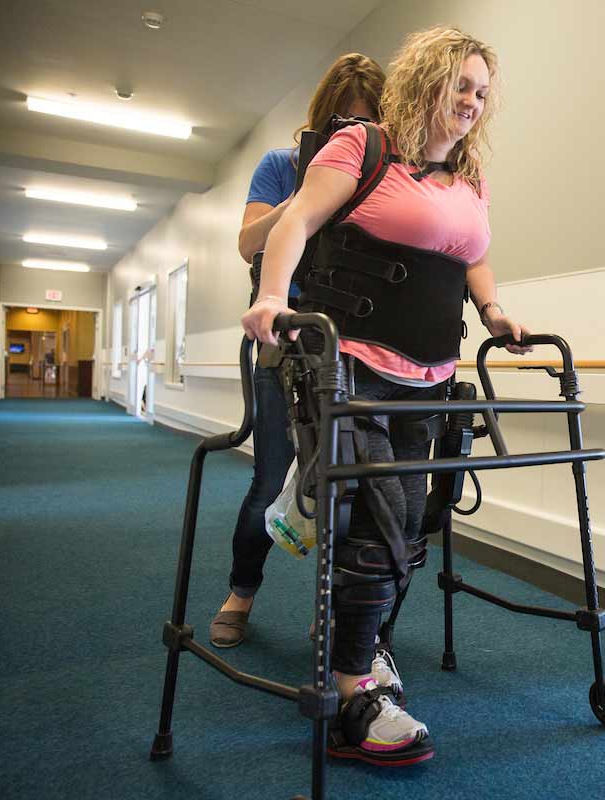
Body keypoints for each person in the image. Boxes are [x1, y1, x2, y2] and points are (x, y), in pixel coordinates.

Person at [241, 26, 530, 767]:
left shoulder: (469, 176)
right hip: (353, 369)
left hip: (428, 380)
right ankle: (353, 695)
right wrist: (273, 297)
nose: (470, 102)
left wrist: (494, 312)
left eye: (481, 92)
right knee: (379, 526)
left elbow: (477, 254)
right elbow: (297, 219)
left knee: (406, 530)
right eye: (459, 85)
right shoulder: (362, 148)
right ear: (426, 81)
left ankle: (360, 656)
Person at [210, 53, 385, 650]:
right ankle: (240, 592)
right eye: (342, 122)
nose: (352, 134)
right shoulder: (281, 166)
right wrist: (312, 190)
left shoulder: (381, 174)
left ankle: (337, 615)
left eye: (365, 123)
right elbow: (247, 243)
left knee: (352, 490)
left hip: (351, 348)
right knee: (270, 478)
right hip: (282, 343)